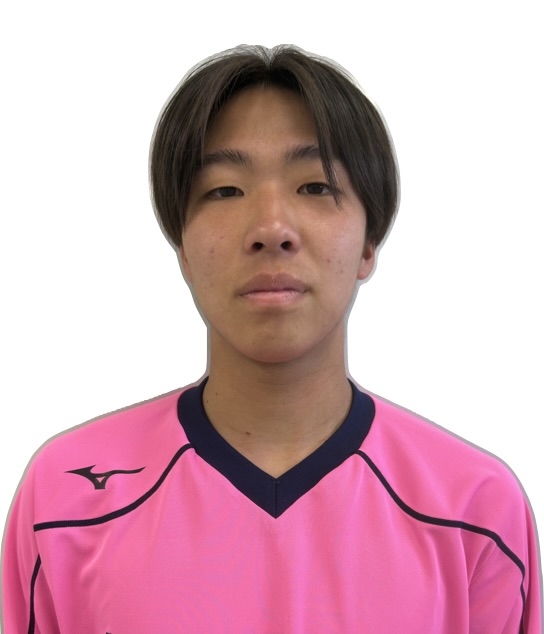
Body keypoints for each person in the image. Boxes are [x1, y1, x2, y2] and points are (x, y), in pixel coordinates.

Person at [2, 44, 541, 633]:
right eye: (224, 191)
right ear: (182, 247)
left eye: (315, 186)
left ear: (369, 243)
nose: (271, 228)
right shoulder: (66, 502)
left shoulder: (474, 513)